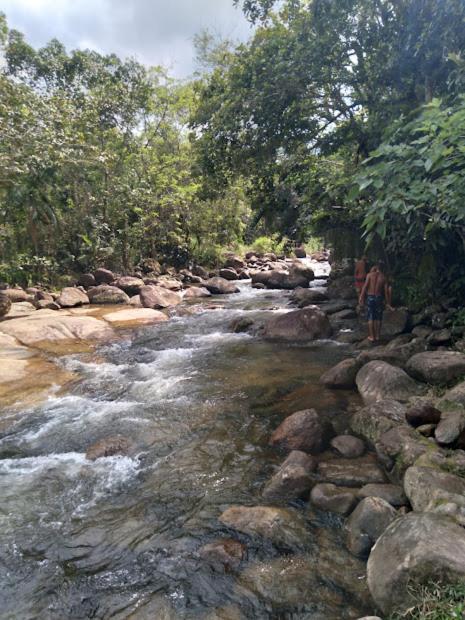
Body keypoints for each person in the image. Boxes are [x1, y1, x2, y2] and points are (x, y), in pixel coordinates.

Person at [359, 262, 392, 342]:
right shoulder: (383, 277)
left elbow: (365, 287)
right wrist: (388, 303)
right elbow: (386, 292)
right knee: (378, 317)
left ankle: (371, 336)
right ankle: (377, 336)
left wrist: (361, 297)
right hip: (379, 298)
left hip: (370, 297)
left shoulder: (369, 275)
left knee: (370, 317)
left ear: (376, 268)